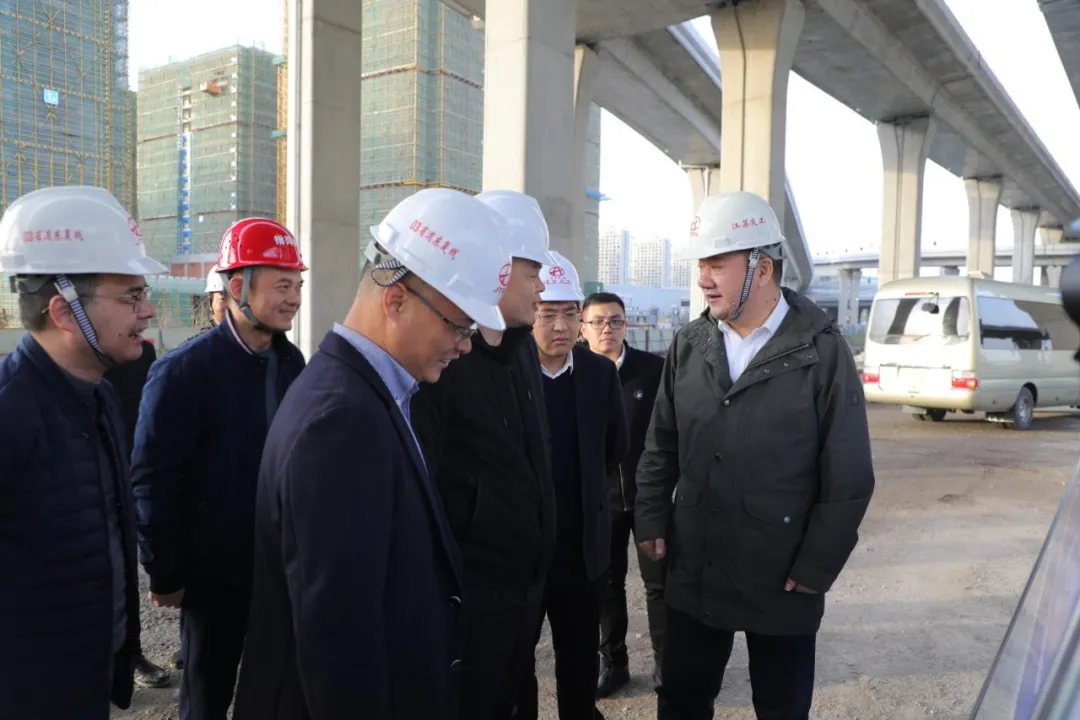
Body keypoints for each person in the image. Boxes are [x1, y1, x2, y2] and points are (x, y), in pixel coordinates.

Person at [233, 188, 512, 719]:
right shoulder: (339, 423)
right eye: (459, 325)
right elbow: (339, 646)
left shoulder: (372, 395)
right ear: (396, 299)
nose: (465, 344)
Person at [635, 190, 876, 720]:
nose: (704, 279)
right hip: (697, 565)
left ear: (762, 268)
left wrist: (816, 566)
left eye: (717, 264)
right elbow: (661, 444)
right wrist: (650, 518)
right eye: (701, 265)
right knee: (681, 699)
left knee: (781, 708)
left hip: (782, 572)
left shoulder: (821, 351)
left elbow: (849, 473)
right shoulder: (690, 344)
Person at [0, 186, 168, 718]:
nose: (148, 311)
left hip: (87, 680)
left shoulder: (98, 395)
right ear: (64, 311)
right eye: (131, 297)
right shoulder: (10, 413)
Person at [130, 217, 308, 720]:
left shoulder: (292, 364)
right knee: (207, 694)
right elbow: (154, 479)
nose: (294, 298)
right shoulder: (183, 372)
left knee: (275, 690)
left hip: (278, 565)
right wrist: (165, 571)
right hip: (214, 577)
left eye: (297, 285)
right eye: (282, 286)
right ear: (236, 287)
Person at [411, 189, 554, 720]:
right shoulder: (443, 361)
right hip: (470, 598)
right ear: (497, 266)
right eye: (533, 271)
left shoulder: (521, 352)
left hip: (522, 589)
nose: (542, 285)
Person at [520, 251, 627, 719]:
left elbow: (615, 446)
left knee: (579, 660)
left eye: (569, 314)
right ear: (529, 314)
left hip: (581, 548)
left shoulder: (599, 374)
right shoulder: (507, 372)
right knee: (515, 661)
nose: (560, 326)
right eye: (547, 314)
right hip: (521, 548)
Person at [581, 291, 667, 696]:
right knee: (607, 585)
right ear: (583, 327)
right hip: (600, 502)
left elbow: (672, 433)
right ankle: (613, 663)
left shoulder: (653, 370)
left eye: (615, 320)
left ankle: (667, 664)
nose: (607, 329)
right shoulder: (573, 371)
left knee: (659, 584)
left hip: (649, 498)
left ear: (626, 324)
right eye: (597, 321)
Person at [102, 337, 173, 689]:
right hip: (90, 477)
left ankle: (132, 654)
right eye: (131, 307)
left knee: (126, 571)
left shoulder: (143, 354)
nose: (144, 313)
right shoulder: (71, 359)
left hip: (132, 472)